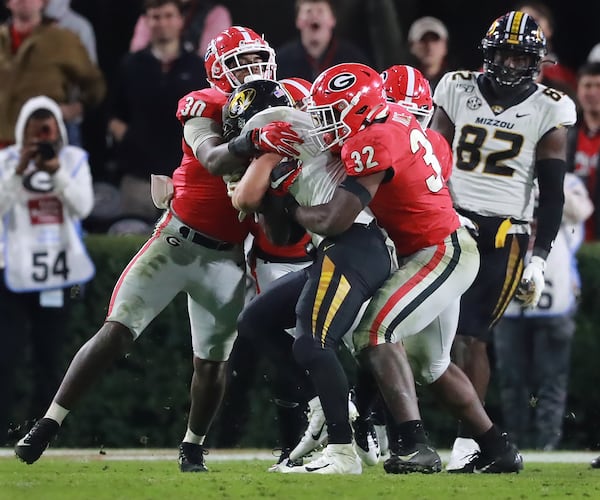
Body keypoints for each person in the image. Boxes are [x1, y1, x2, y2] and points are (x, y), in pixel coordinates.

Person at [13, 25, 290, 471]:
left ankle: (193, 446)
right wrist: (258, 137)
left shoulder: (281, 106)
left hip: (228, 256)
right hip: (176, 242)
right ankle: (49, 422)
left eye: (259, 61)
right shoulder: (206, 104)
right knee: (117, 330)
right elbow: (215, 157)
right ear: (218, 71)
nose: (253, 71)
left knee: (212, 361)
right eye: (242, 63)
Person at [430, 10, 577, 471]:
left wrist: (538, 258)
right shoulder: (455, 86)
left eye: (520, 56)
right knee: (404, 326)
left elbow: (552, 193)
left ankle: (466, 443)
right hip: (447, 221)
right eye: (503, 54)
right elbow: (431, 159)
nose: (511, 64)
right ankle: (385, 429)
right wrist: (439, 213)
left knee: (470, 338)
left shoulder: (552, 106)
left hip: (504, 233)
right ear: (488, 55)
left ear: (535, 60)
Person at [227, 78, 396, 474]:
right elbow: (282, 232)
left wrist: (254, 166)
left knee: (313, 342)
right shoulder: (304, 133)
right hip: (341, 247)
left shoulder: (278, 131)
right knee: (256, 321)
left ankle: (342, 451)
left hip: (358, 243)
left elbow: (245, 197)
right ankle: (326, 405)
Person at [0, 95, 95, 445]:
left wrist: (55, 174)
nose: (41, 136)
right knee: (5, 357)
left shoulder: (72, 160)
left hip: (59, 274)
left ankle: (39, 437)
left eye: (47, 128)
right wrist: (17, 170)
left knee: (49, 358)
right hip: (11, 271)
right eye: (34, 129)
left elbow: (82, 207)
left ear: (58, 129)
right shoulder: (6, 160)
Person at [494, 172, 592, 451]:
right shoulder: (509, 174)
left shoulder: (568, 181)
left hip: (556, 298)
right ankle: (515, 442)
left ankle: (547, 442)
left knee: (552, 379)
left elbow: (582, 211)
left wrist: (548, 184)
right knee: (512, 380)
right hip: (511, 303)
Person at [108, 0, 208, 223]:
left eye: (168, 15)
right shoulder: (130, 65)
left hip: (186, 179)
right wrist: (130, 140)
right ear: (146, 21)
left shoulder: (198, 67)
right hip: (138, 178)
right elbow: (113, 114)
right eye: (155, 17)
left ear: (180, 20)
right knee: (134, 249)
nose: (161, 22)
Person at [0, 0, 105, 148]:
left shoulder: (62, 40)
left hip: (45, 141)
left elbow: (94, 84)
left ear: (43, 2)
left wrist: (76, 108)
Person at [275, 0, 371, 82]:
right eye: (308, 11)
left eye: (320, 11)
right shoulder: (281, 60)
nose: (314, 16)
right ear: (298, 21)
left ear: (332, 20)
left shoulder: (353, 59)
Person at [515, 1, 577, 94]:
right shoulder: (493, 72)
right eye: (522, 22)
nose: (527, 27)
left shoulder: (565, 76)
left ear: (549, 29)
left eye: (534, 20)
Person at [568, 62, 600, 241]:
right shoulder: (564, 133)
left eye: (599, 86)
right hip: (569, 233)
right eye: (587, 85)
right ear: (578, 89)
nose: (593, 92)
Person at [130, 0, 231, 57]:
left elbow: (213, 59)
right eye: (157, 18)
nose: (163, 23)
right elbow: (137, 52)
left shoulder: (215, 13)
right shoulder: (150, 12)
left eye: (169, 16)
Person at [406, 16, 454, 91]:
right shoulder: (403, 82)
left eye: (435, 40)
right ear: (412, 46)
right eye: (423, 40)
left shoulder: (459, 82)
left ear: (445, 45)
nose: (429, 46)